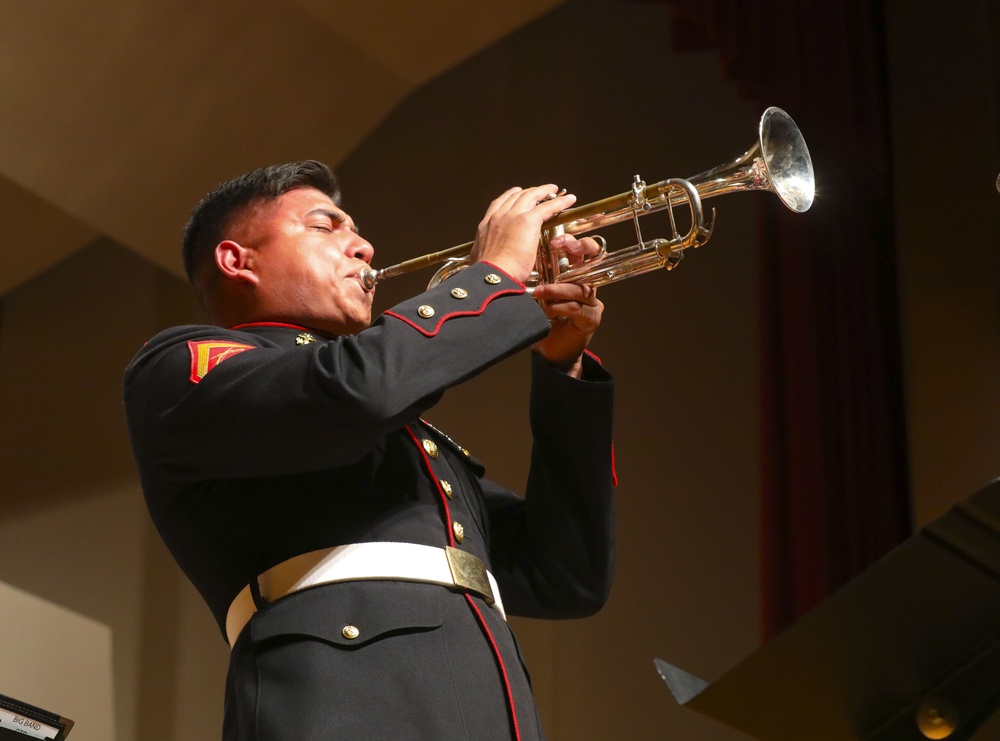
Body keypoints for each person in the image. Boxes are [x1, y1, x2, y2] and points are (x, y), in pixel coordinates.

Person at [124, 160, 616, 741]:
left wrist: (564, 364)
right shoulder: (183, 365)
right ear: (238, 260)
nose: (362, 246)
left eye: (355, 230)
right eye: (325, 226)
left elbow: (564, 574)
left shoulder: (402, 435)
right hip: (341, 707)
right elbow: (354, 392)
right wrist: (494, 275)